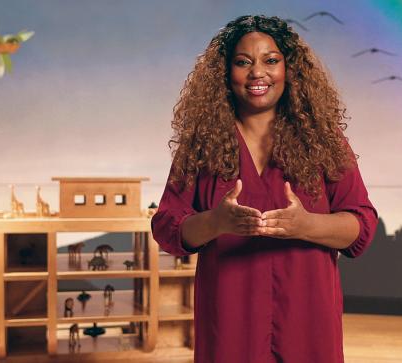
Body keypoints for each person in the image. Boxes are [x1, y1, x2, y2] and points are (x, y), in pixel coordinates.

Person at [151, 15, 378, 362]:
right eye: (244, 62)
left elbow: (360, 227)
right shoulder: (201, 146)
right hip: (229, 323)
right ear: (226, 74)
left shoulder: (324, 141)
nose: (258, 72)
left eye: (271, 60)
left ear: (290, 70)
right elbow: (167, 227)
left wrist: (306, 225)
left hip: (307, 321)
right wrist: (216, 222)